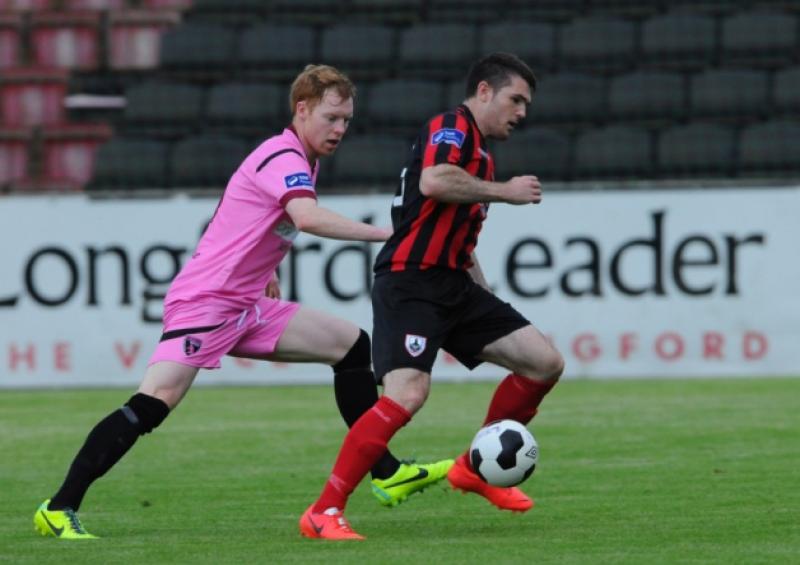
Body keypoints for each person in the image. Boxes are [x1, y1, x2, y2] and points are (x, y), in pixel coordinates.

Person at [33, 64, 452, 540]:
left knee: (351, 345)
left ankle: (385, 471)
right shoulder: (283, 156)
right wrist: (389, 234)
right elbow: (307, 217)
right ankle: (59, 505)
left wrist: (266, 266)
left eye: (347, 121)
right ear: (302, 109)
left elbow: (234, 210)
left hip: (246, 305)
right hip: (207, 304)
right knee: (153, 403)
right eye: (332, 118)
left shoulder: (298, 158)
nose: (340, 129)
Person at [300, 53, 565, 541]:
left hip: (454, 284)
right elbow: (434, 180)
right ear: (484, 91)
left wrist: (488, 302)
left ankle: (472, 469)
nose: (522, 112)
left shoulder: (481, 154)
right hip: (412, 282)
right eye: (516, 99)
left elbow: (458, 237)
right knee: (408, 394)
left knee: (542, 362)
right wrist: (505, 191)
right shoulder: (452, 127)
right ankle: (324, 510)